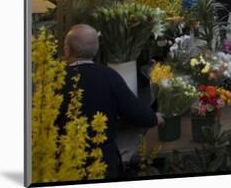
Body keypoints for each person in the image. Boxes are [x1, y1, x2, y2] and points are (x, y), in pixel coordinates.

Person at [58, 25, 164, 178]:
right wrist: (154, 118)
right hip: (103, 162)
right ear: (96, 50)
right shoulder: (108, 76)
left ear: (67, 50)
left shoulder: (54, 80)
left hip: (64, 164)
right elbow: (133, 111)